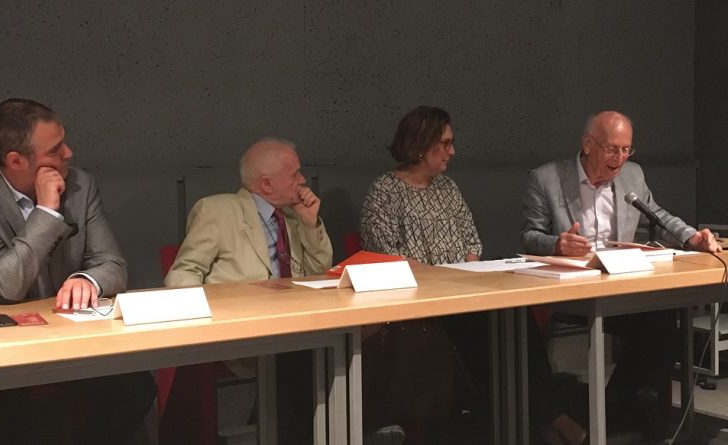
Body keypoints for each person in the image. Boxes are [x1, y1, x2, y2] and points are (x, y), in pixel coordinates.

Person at [0, 98, 156, 444]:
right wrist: (47, 212)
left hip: (65, 339)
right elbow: (7, 281)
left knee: (136, 388)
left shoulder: (81, 185)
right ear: (16, 160)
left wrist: (87, 280)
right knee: (9, 417)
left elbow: (112, 264)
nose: (69, 153)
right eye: (55, 150)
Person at [361, 106, 586, 445]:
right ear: (421, 145)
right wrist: (445, 280)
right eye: (445, 143)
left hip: (463, 293)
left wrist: (468, 273)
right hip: (419, 305)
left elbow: (471, 241)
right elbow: (386, 256)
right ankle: (549, 418)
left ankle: (540, 418)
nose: (452, 151)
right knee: (484, 332)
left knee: (515, 315)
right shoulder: (384, 191)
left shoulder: (447, 188)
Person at [521, 110, 721, 439]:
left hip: (622, 284)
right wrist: (557, 244)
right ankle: (623, 403)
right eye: (612, 149)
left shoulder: (632, 175)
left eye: (627, 149)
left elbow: (657, 216)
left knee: (664, 317)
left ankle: (623, 398)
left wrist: (691, 238)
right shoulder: (546, 178)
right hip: (573, 290)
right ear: (587, 144)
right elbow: (529, 235)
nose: (620, 158)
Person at [162, 138, 333, 444]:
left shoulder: (294, 216)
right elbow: (184, 273)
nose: (303, 180)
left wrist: (310, 224)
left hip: (296, 327)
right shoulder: (217, 210)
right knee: (309, 364)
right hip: (244, 335)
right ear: (266, 184)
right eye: (294, 174)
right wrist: (208, 321)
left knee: (339, 352)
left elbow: (319, 273)